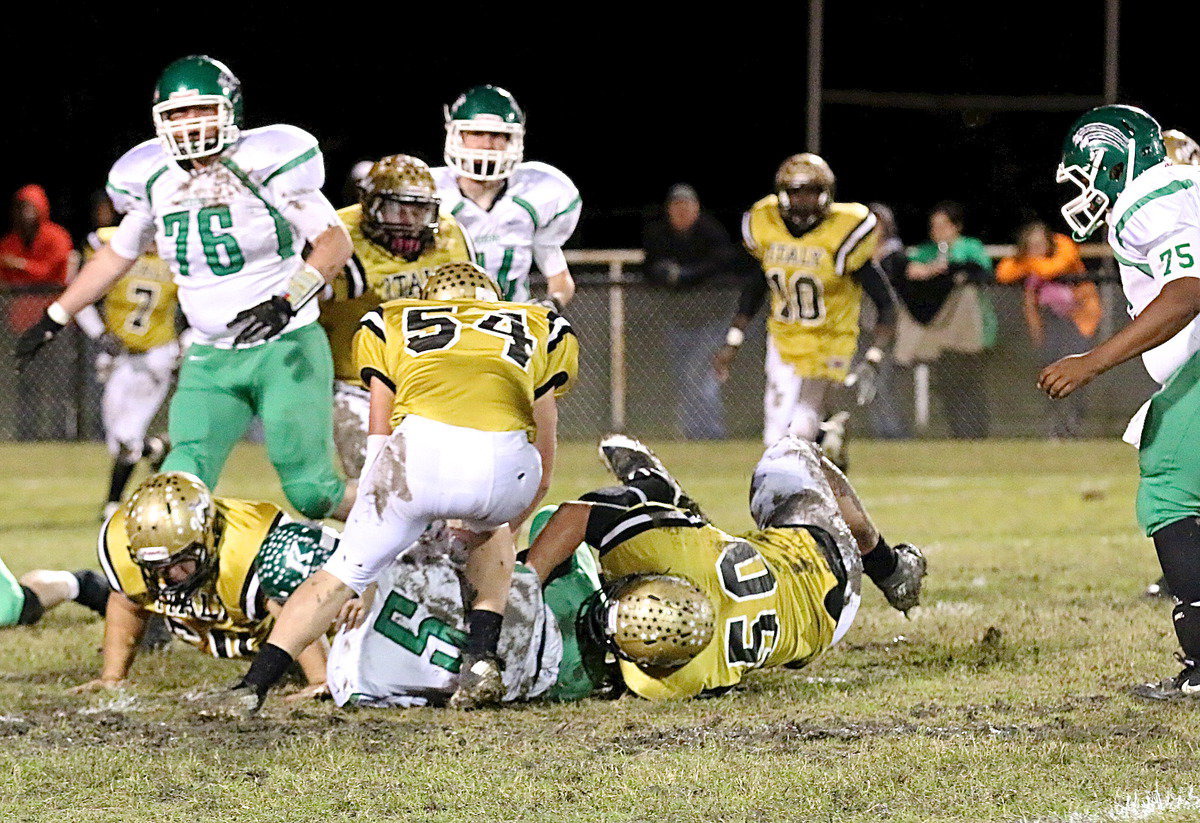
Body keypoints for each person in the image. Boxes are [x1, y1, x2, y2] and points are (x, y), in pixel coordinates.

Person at [222, 261, 578, 713]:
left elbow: (380, 431)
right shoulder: (538, 323)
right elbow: (544, 452)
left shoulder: (392, 318)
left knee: (339, 575)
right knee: (491, 533)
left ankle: (253, 685)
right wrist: (508, 517)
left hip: (419, 458)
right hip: (504, 468)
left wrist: (380, 513)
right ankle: (482, 656)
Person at [13, 55, 355, 521]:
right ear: (159, 120)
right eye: (177, 113)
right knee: (175, 497)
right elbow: (117, 256)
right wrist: (56, 316)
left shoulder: (262, 164)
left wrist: (286, 300)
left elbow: (335, 242)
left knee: (313, 493)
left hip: (284, 346)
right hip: (210, 358)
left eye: (201, 110)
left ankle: (411, 537)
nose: (189, 124)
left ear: (230, 111)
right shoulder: (154, 178)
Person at [523, 434, 927, 699]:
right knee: (789, 454)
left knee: (652, 518)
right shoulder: (678, 561)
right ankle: (890, 569)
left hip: (816, 628)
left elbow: (579, 515)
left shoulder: (681, 676)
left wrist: (526, 584)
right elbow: (583, 516)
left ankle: (658, 490)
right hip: (820, 567)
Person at [1040, 103, 1200, 699]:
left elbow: (1188, 290)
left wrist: (1093, 361)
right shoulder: (1182, 184)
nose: (1080, 192)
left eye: (1084, 174)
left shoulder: (1146, 201)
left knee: (1168, 487)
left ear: (1113, 160)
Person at [78, 471, 337, 693]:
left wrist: (320, 680)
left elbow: (298, 612)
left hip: (333, 634)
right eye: (156, 565)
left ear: (209, 537)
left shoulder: (246, 549)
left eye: (181, 561)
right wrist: (112, 677)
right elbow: (126, 604)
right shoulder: (121, 542)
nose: (170, 575)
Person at [713, 154, 896, 460]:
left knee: (800, 428)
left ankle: (818, 454)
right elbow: (756, 288)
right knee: (774, 437)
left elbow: (886, 304)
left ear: (826, 194)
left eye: (812, 191)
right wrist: (734, 340)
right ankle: (829, 438)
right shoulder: (766, 225)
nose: (804, 200)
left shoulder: (843, 230)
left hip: (830, 339)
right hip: (784, 340)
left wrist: (874, 358)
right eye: (797, 192)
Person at [319, 154, 475, 478]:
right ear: (371, 207)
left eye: (417, 210)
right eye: (396, 209)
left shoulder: (451, 235)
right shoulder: (337, 235)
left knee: (464, 478)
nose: (407, 221)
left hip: (427, 381)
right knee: (381, 479)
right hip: (355, 383)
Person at [431, 85, 580, 308]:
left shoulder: (538, 192)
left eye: (497, 134)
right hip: (443, 322)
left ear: (513, 139)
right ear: (458, 136)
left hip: (510, 325)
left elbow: (560, 279)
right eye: (476, 133)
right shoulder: (430, 192)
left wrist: (551, 305)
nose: (486, 145)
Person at [73, 215, 179, 518]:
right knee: (117, 439)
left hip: (155, 356)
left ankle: (112, 505)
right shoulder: (115, 252)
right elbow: (81, 293)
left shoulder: (174, 259)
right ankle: (157, 447)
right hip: (120, 359)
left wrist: (182, 345)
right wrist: (101, 335)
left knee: (126, 435)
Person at [641, 183, 736, 439]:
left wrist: (686, 275)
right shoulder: (659, 234)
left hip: (712, 320)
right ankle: (692, 432)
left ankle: (711, 433)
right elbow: (649, 268)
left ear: (696, 209)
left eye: (687, 207)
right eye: (676, 207)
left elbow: (724, 262)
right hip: (677, 321)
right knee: (685, 378)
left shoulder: (710, 231)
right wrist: (664, 272)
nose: (681, 212)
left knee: (701, 375)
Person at [895, 202, 994, 438]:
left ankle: (976, 432)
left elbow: (984, 273)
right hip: (939, 331)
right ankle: (957, 432)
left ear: (956, 226)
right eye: (934, 226)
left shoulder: (969, 247)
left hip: (967, 329)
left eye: (943, 225)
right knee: (947, 385)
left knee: (970, 383)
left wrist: (949, 269)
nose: (937, 231)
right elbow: (907, 271)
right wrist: (926, 271)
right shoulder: (927, 251)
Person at [996, 221, 1099, 438]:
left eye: (1040, 244)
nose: (1036, 250)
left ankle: (1074, 428)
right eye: (1031, 246)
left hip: (1076, 324)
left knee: (1076, 376)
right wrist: (1030, 264)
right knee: (1049, 376)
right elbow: (1003, 272)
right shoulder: (1030, 264)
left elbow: (1052, 268)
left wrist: (1028, 263)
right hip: (1049, 326)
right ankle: (1054, 429)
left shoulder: (1063, 246)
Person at [0, 184, 74, 440]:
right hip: (19, 323)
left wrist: (20, 266)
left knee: (54, 384)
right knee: (24, 383)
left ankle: (55, 434)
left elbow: (52, 271)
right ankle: (26, 434)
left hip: (51, 323)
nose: (25, 213)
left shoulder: (56, 236)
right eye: (21, 207)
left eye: (30, 207)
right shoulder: (10, 240)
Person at [863, 203, 912, 439]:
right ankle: (880, 431)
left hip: (887, 326)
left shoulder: (894, 254)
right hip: (863, 324)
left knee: (884, 381)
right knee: (869, 381)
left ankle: (894, 432)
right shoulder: (856, 253)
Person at [1, 556, 108, 628]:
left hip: (12, 605)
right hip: (14, 606)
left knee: (34, 582)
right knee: (34, 583)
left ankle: (89, 585)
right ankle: (85, 583)